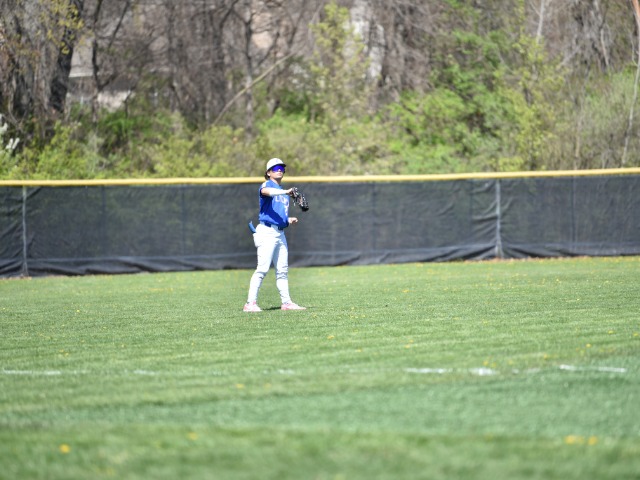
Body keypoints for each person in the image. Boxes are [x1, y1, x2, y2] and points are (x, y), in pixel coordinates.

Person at [244, 158, 306, 312]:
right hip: (267, 232)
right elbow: (265, 192)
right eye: (276, 168)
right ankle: (250, 304)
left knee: (282, 271)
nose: (279, 170)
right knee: (262, 269)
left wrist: (287, 220)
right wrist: (286, 191)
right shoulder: (267, 185)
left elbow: (278, 214)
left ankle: (286, 303)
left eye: (282, 168)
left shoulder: (283, 192)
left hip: (279, 233)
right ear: (268, 172)